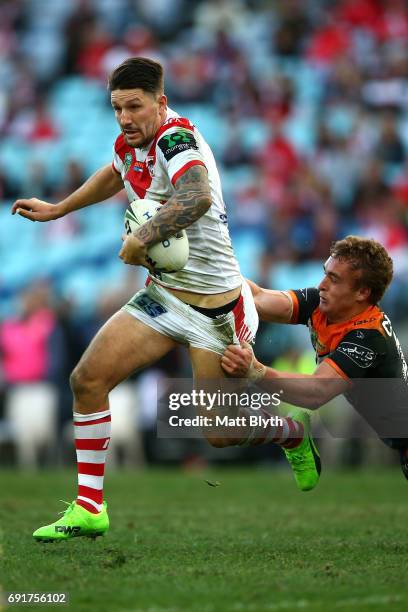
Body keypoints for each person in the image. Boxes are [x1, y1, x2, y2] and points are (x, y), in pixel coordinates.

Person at [12, 57, 309, 542]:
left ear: (160, 102)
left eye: (135, 106)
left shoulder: (177, 138)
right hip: (164, 298)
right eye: (117, 108)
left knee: (220, 434)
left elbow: (197, 197)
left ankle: (289, 433)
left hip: (216, 311)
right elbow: (114, 173)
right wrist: (60, 208)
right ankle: (90, 508)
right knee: (87, 379)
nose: (126, 117)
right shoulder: (130, 143)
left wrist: (142, 237)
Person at [222, 236, 408, 486]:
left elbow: (315, 392)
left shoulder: (368, 336)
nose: (322, 285)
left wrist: (255, 371)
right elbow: (255, 298)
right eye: (325, 274)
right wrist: (211, 276)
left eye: (334, 279)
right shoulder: (321, 305)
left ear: (363, 292)